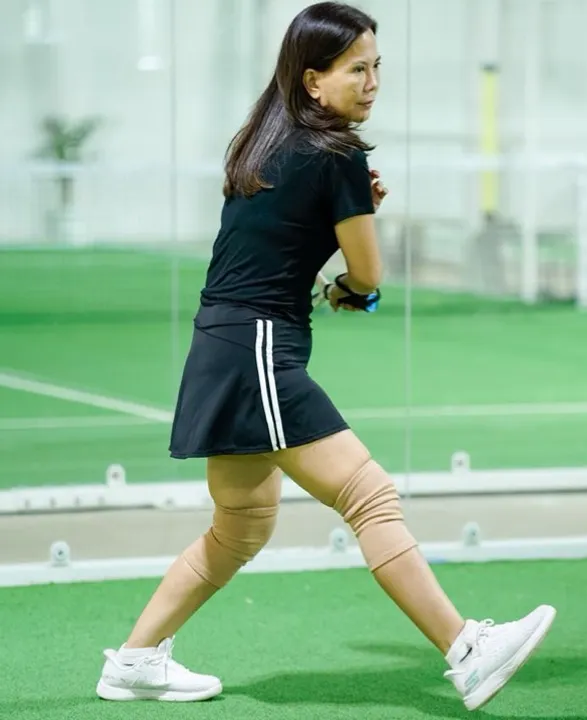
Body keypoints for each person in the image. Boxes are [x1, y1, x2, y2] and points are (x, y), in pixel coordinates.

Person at [95, 1, 556, 711]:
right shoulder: (338, 153)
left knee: (241, 527)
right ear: (313, 80)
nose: (372, 83)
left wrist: (346, 223)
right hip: (257, 352)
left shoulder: (266, 142)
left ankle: (133, 661)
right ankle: (467, 649)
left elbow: (278, 244)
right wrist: (352, 277)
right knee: (370, 496)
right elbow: (366, 276)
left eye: (377, 68)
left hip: (224, 344)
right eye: (356, 70)